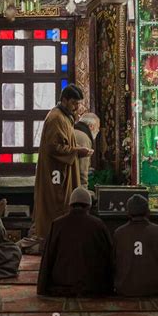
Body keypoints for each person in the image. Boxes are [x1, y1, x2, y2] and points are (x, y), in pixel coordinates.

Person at [29, 84, 93, 243]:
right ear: (64, 100)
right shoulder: (56, 117)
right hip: (56, 177)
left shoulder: (65, 117)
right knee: (56, 210)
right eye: (73, 103)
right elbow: (53, 148)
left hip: (63, 172)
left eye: (78, 103)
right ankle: (53, 244)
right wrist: (78, 151)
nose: (77, 107)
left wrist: (76, 150)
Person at [37, 186, 113, 297]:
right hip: (93, 286)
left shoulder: (57, 224)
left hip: (62, 285)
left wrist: (42, 288)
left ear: (70, 205)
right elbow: (109, 256)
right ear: (89, 206)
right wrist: (110, 286)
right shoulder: (98, 224)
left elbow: (48, 258)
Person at [113, 194, 158, 297]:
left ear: (128, 213)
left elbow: (114, 262)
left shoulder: (118, 233)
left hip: (126, 287)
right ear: (148, 212)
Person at [74, 112, 100, 188]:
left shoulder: (74, 131)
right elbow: (83, 169)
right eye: (97, 127)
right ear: (91, 126)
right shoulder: (84, 138)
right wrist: (84, 189)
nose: (98, 130)